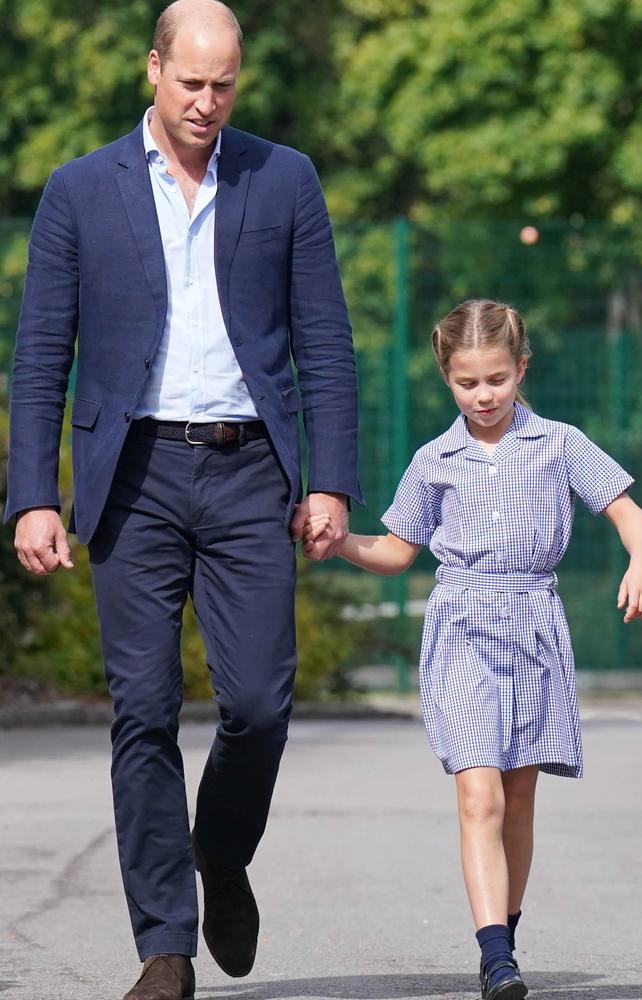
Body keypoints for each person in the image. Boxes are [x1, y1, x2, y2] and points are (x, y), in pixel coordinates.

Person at [6, 2, 362, 998]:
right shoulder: (79, 191)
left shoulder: (281, 177)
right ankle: (164, 947)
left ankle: (221, 849)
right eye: (190, 82)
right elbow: (41, 353)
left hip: (250, 470)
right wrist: (35, 494)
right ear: (151, 69)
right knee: (144, 711)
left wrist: (328, 477)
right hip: (133, 477)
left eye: (224, 85)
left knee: (256, 702)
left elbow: (323, 338)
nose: (207, 102)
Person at [304, 298, 642, 1000]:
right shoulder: (435, 459)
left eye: (497, 378)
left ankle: (506, 941)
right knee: (478, 793)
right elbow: (399, 550)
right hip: (460, 626)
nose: (484, 395)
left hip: (534, 626)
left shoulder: (560, 444)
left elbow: (625, 509)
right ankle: (494, 957)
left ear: (520, 369)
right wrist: (339, 540)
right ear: (446, 377)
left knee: (518, 802)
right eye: (468, 383)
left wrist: (640, 559)